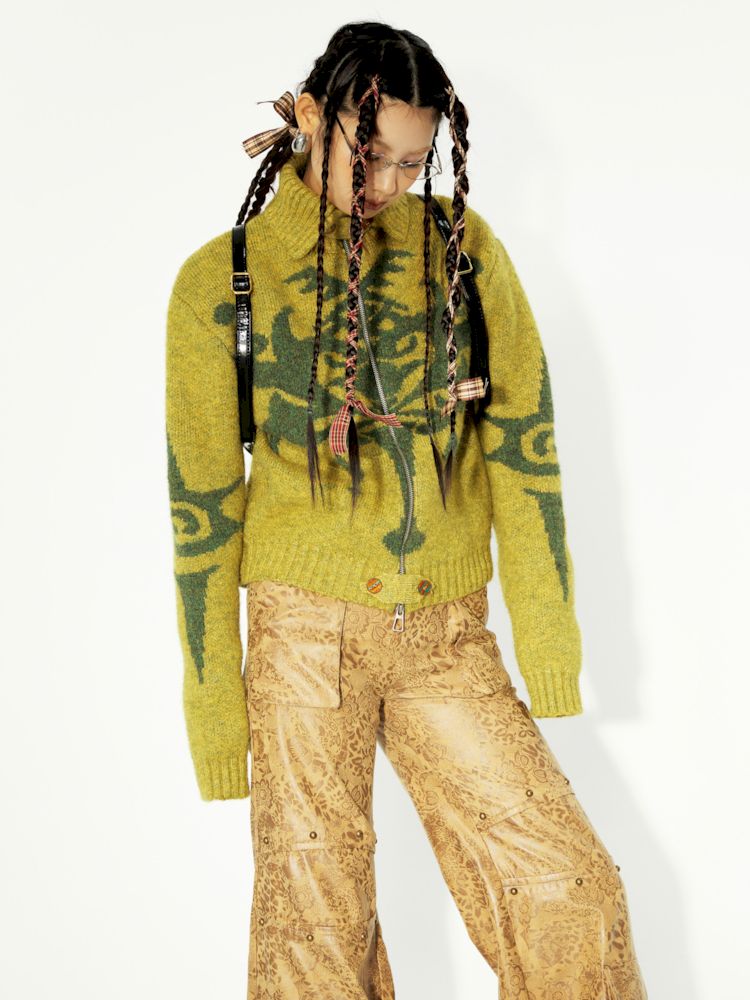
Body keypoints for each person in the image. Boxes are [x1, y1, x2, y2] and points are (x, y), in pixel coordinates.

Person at [165, 19, 649, 1000]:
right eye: (370, 154)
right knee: (315, 938)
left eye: (413, 162)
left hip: (445, 635)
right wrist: (214, 708)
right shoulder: (220, 284)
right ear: (311, 117)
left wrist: (548, 636)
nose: (387, 184)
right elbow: (202, 509)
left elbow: (525, 447)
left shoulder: (462, 254)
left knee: (569, 886)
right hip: (302, 641)